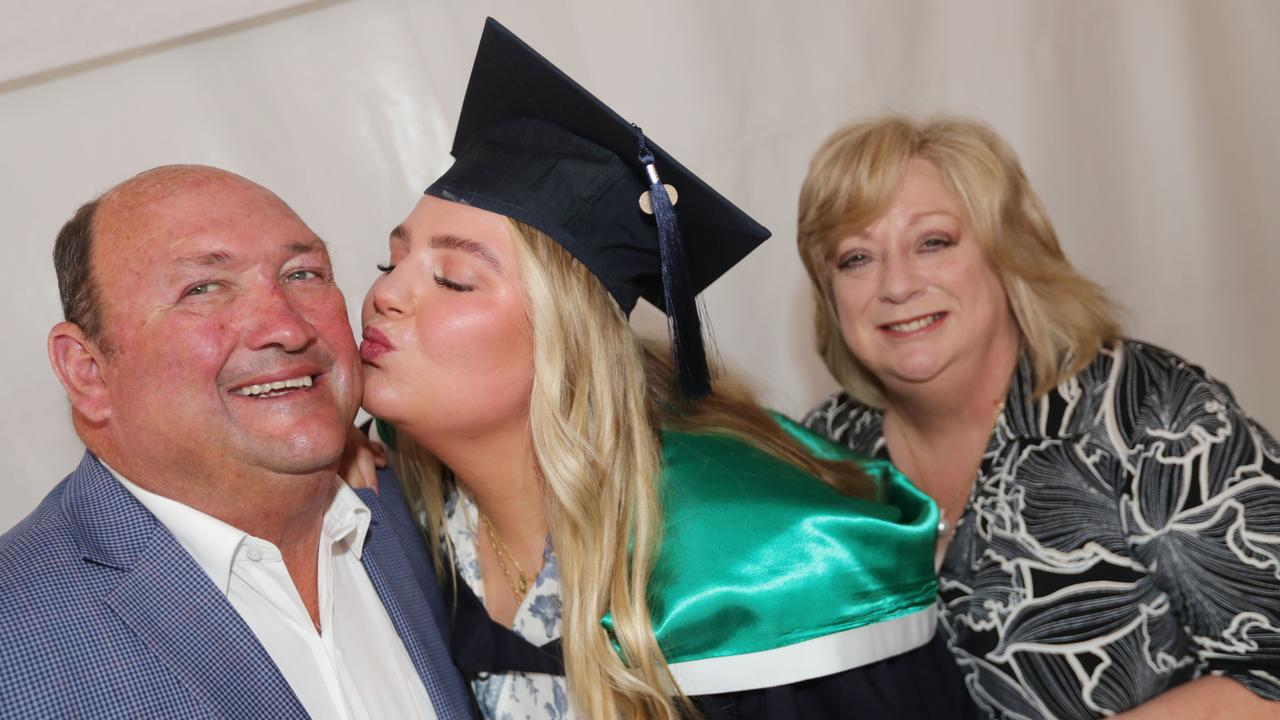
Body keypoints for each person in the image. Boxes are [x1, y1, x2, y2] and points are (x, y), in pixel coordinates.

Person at [355, 18, 978, 720]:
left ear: (569, 343)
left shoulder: (754, 566)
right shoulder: (403, 526)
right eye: (391, 260)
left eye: (454, 279)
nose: (385, 293)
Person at [797, 115, 1280, 718]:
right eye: (856, 258)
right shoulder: (826, 458)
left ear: (1008, 254)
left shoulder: (1149, 415)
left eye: (933, 242)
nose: (896, 284)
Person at [0, 166, 473, 719]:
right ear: (87, 372)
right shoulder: (16, 638)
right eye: (203, 288)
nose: (287, 328)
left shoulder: (425, 515)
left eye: (303, 274)